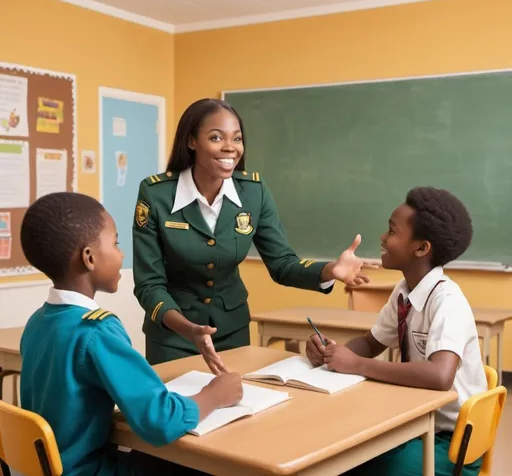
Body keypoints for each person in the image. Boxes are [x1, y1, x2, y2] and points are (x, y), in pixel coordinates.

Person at [133, 98, 373, 370]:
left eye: (237, 139)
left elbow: (282, 264)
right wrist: (188, 328)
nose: (230, 148)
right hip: (173, 336)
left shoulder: (253, 192)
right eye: (216, 137)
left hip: (232, 334)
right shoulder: (156, 195)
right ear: (191, 142)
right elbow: (149, 285)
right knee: (178, 409)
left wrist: (330, 269)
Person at [19, 192, 242, 476]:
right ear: (89, 258)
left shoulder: (39, 321)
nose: (122, 253)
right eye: (115, 243)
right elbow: (160, 421)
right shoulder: (96, 331)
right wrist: (214, 395)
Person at [306, 187, 487, 475]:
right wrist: (331, 353)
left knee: (367, 466)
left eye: (392, 231)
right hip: (415, 424)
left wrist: (356, 365)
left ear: (421, 248)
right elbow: (370, 343)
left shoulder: (447, 300)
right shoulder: (404, 291)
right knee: (340, 454)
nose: (383, 237)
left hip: (451, 443)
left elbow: (440, 376)